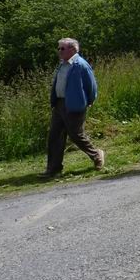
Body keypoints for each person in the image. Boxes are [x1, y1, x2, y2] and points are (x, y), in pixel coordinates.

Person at [41, 38, 104, 177]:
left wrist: (89, 100)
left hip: (75, 104)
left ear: (73, 49)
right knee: (54, 136)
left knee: (76, 135)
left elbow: (91, 85)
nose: (59, 51)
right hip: (59, 104)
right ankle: (53, 168)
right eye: (58, 48)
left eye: (62, 48)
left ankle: (96, 155)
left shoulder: (81, 65)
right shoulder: (62, 64)